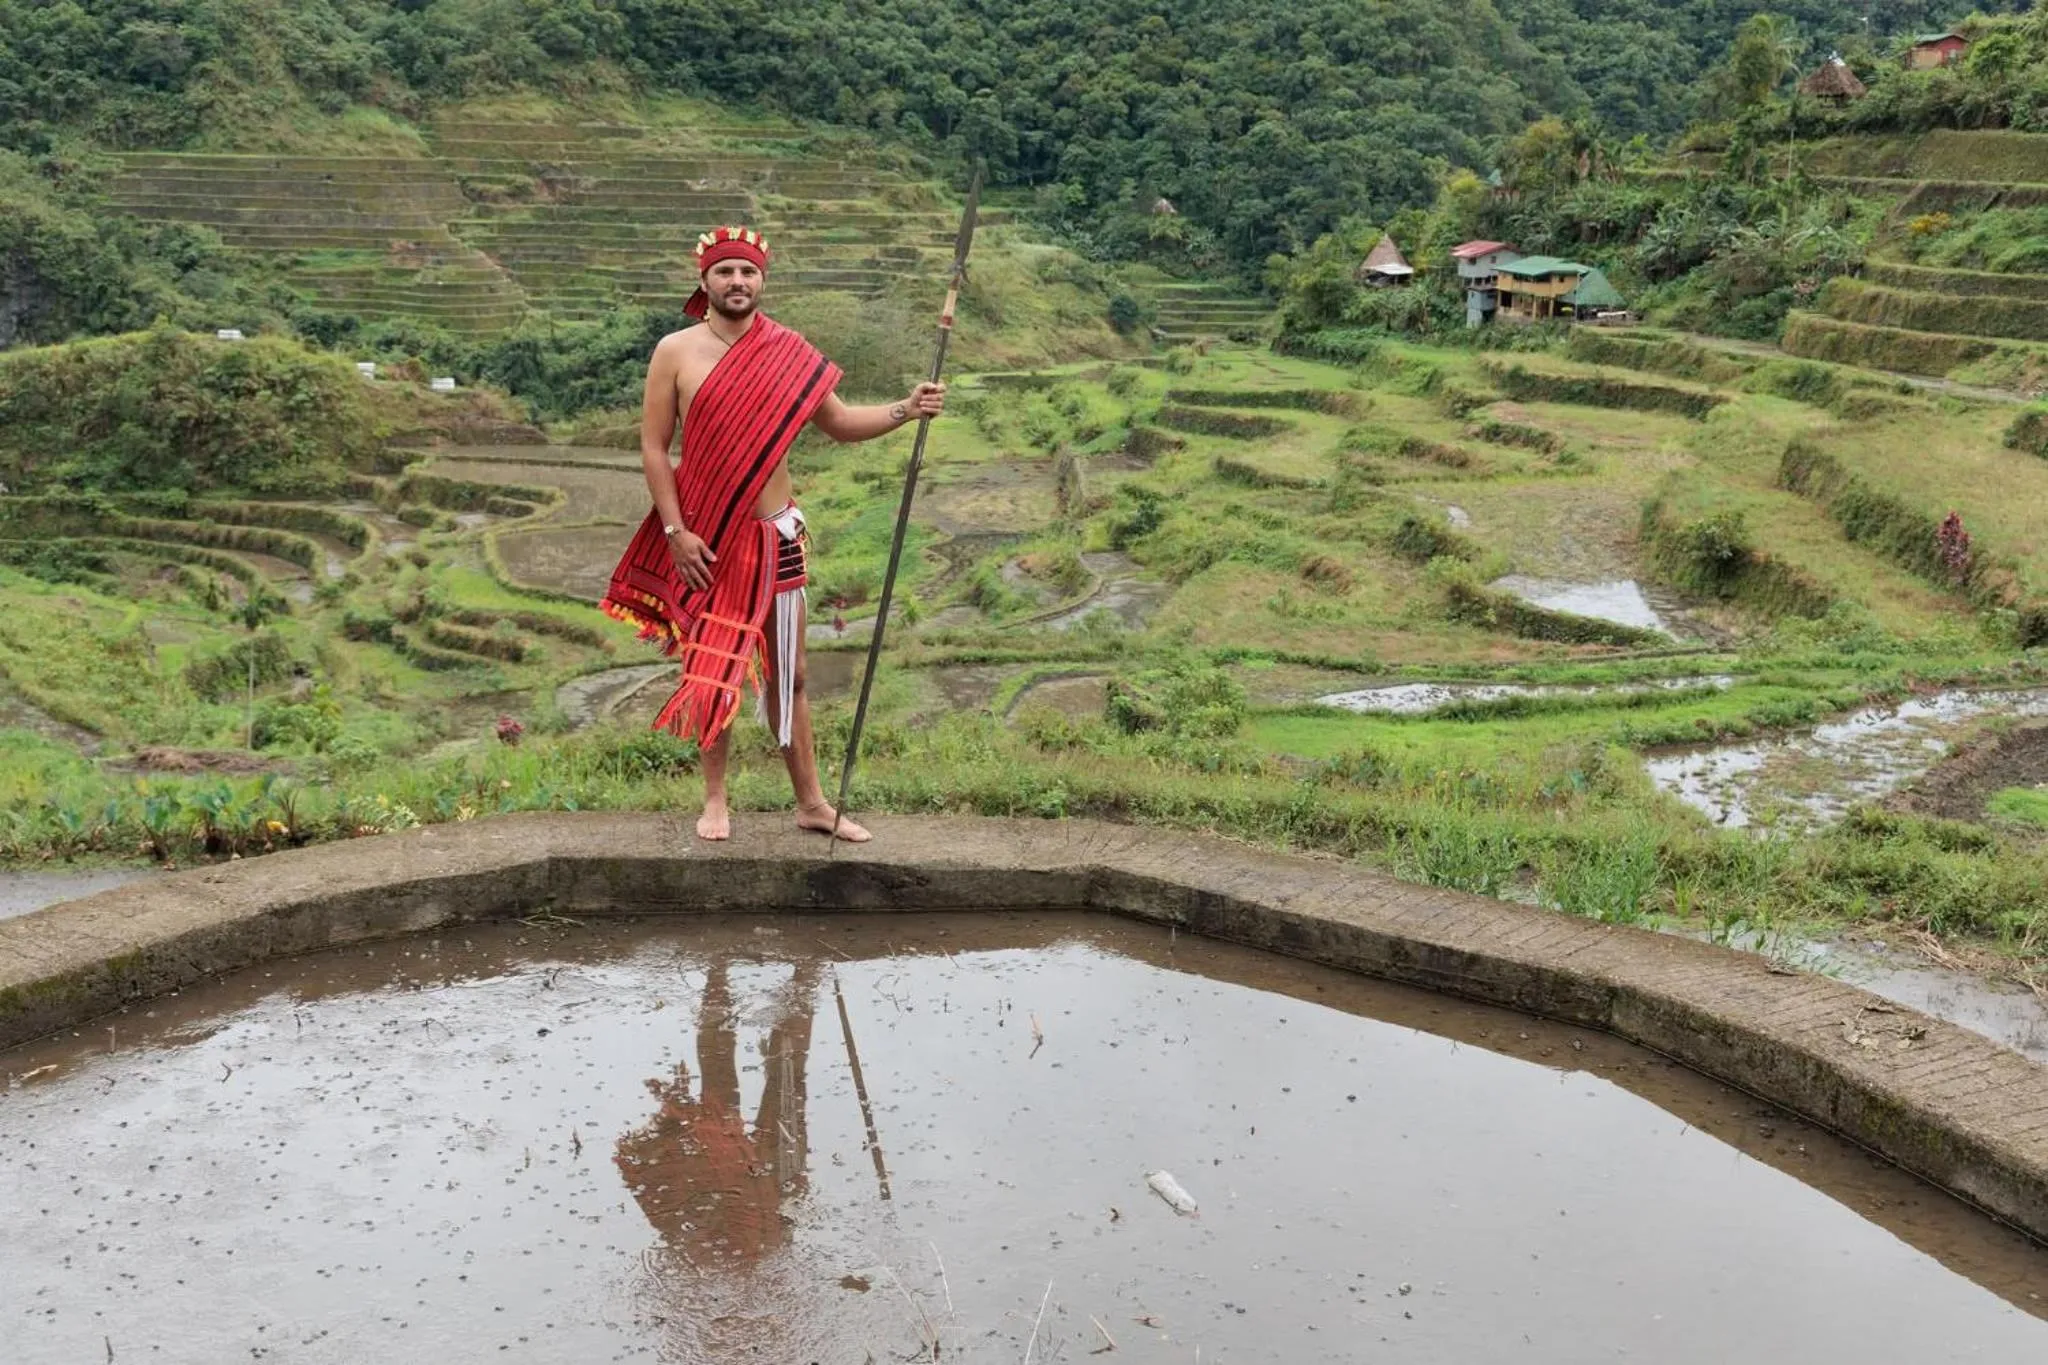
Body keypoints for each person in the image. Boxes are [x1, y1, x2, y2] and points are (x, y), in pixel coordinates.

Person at [603, 226, 944, 842]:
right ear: (704, 281)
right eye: (726, 271)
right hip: (706, 541)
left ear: (763, 280)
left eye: (748, 272)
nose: (738, 282)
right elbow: (654, 449)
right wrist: (676, 532)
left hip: (776, 536)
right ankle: (714, 801)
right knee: (713, 668)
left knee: (792, 675)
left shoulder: (787, 350)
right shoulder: (675, 351)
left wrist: (904, 409)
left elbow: (839, 422)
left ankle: (811, 803)